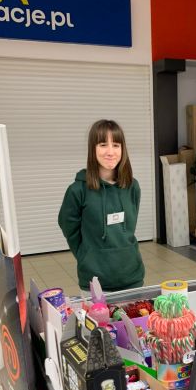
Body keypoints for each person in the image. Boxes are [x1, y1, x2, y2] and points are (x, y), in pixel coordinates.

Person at [58, 119, 145, 292]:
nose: (110, 152)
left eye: (116, 145)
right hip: (95, 282)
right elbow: (68, 227)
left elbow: (129, 229)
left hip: (132, 277)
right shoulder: (78, 190)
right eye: (103, 145)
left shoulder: (132, 186)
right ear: (93, 148)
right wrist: (86, 255)